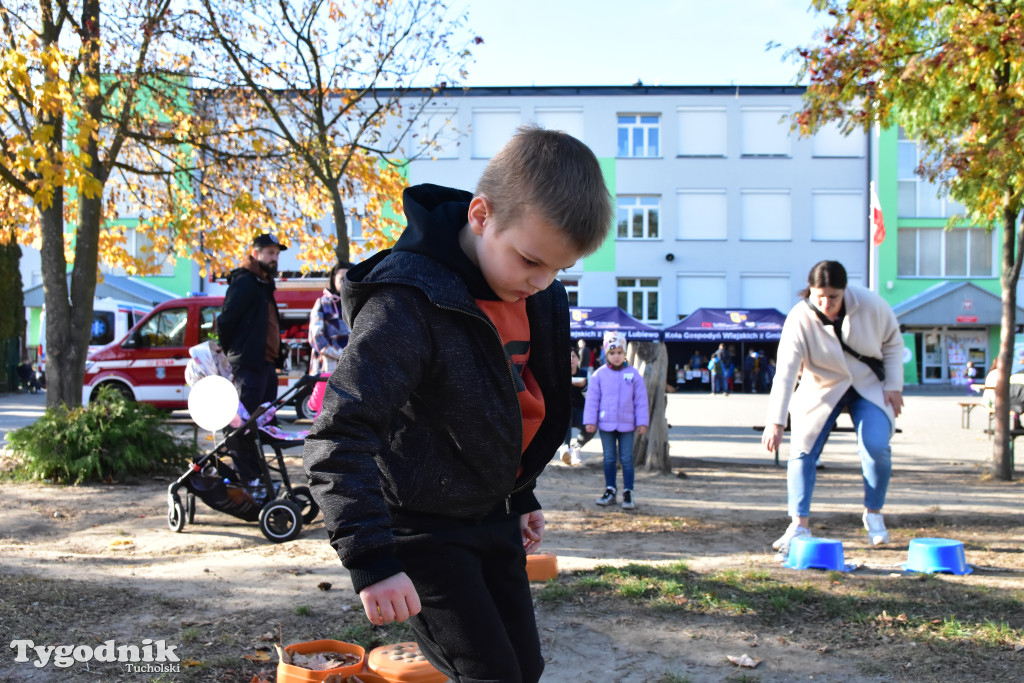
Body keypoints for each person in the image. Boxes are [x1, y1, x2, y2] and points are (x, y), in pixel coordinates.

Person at [302, 125, 612, 683]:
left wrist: (521, 493)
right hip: (421, 530)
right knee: (489, 672)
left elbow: (510, 408)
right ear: (481, 215)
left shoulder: (539, 295)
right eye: (530, 261)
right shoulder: (407, 303)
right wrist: (372, 561)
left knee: (524, 668)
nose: (542, 283)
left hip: (492, 516)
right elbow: (338, 435)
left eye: (558, 270)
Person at [761, 260, 904, 556]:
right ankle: (799, 524)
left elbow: (892, 343)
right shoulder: (799, 317)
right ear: (810, 291)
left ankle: (873, 514)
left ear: (845, 291)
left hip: (867, 385)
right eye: (819, 297)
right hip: (820, 386)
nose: (826, 303)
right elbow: (786, 372)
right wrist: (775, 420)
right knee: (802, 450)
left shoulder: (871, 304)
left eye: (833, 297)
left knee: (876, 446)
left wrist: (894, 386)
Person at [217, 233, 286, 415]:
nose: (274, 258)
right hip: (248, 366)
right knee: (244, 425)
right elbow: (225, 321)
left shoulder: (264, 284)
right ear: (255, 254)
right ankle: (235, 445)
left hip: (266, 365)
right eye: (270, 253)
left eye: (277, 254)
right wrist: (237, 354)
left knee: (264, 423)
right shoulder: (245, 282)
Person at [584, 331, 650, 510]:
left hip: (628, 425)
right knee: (609, 458)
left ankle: (628, 492)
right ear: (607, 354)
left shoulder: (634, 375)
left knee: (627, 459)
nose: (616, 356)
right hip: (606, 424)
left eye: (620, 352)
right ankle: (610, 489)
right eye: (612, 353)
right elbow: (592, 400)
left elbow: (641, 400)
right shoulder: (599, 375)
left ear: (625, 353)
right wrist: (590, 420)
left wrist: (642, 422)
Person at [559, 346, 591, 466]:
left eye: (574, 356)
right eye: (569, 356)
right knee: (566, 415)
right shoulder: (560, 374)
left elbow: (590, 396)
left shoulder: (585, 373)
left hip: (580, 410)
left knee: (591, 426)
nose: (571, 359)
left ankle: (576, 447)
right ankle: (565, 448)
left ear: (578, 359)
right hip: (564, 412)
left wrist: (583, 387)